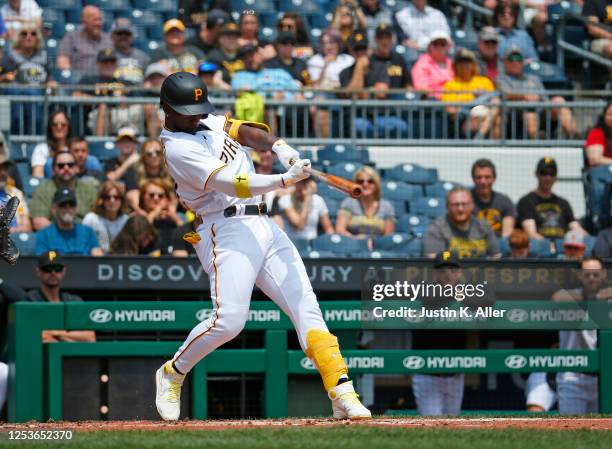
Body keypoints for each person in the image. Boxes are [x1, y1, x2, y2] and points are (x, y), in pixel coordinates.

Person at [155, 71, 371, 421]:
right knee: (229, 321)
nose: (196, 116)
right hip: (224, 228)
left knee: (306, 305)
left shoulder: (202, 118)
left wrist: (279, 147)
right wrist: (284, 179)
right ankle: (173, 372)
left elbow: (244, 130)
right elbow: (233, 183)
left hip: (263, 224)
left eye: (198, 108)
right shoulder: (178, 149)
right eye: (188, 111)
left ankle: (341, 390)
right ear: (167, 108)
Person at [552, 256, 611, 414]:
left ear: (604, 274)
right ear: (580, 275)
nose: (591, 278)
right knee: (570, 429)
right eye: (587, 274)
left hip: (604, 376)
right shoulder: (569, 297)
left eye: (596, 274)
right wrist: (595, 298)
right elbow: (557, 298)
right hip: (573, 377)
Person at [411, 251, 466, 416]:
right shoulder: (424, 288)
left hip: (455, 372)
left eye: (452, 270)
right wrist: (456, 294)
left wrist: (462, 294)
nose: (447, 274)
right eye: (442, 270)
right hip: (428, 372)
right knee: (432, 425)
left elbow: (488, 299)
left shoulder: (468, 289)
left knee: (453, 424)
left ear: (459, 272)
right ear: (435, 273)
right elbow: (430, 299)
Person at [497, 47, 577, 139]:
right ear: (505, 62)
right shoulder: (502, 78)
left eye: (519, 59)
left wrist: (550, 104)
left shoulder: (534, 78)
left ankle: (575, 136)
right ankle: (537, 141)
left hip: (540, 110)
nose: (515, 62)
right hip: (516, 114)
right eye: (511, 59)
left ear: (523, 62)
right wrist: (523, 96)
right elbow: (505, 94)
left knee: (559, 100)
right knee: (530, 115)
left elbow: (545, 99)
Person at [27, 251, 96, 343]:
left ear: (64, 271)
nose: (53, 273)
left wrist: (55, 333)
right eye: (48, 269)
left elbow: (90, 337)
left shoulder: (74, 301)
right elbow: (39, 336)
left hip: (71, 356)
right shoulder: (30, 299)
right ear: (38, 271)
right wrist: (69, 337)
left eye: (57, 268)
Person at [517, 157, 586, 241]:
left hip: (564, 247)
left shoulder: (563, 203)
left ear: (556, 177)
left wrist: (587, 238)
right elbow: (531, 233)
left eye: (552, 174)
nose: (548, 178)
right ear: (536, 174)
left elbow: (575, 227)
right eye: (544, 173)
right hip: (539, 248)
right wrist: (549, 246)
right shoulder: (526, 201)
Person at [423, 187, 501, 258]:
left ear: (472, 205)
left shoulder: (483, 226)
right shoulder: (437, 228)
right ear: (447, 206)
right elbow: (434, 258)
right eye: (455, 204)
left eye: (464, 204)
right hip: (448, 272)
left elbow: (495, 256)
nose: (460, 209)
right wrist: (452, 257)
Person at [30, 151, 98, 231]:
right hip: (56, 238)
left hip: (85, 236)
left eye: (70, 165)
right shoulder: (43, 190)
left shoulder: (89, 190)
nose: (66, 168)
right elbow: (39, 222)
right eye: (61, 166)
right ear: (53, 170)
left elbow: (98, 218)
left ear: (77, 168)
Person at [308, 28, 355, 137]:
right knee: (318, 106)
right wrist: (325, 65)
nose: (328, 46)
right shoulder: (315, 60)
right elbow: (316, 85)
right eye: (324, 43)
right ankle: (323, 148)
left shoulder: (348, 60)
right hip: (325, 99)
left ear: (338, 43)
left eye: (331, 42)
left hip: (345, 98)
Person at [441, 48, 497, 138]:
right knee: (477, 112)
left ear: (473, 65)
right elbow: (450, 110)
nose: (464, 65)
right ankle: (478, 139)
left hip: (485, 115)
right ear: (455, 65)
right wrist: (472, 102)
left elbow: (495, 101)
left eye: (467, 62)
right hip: (462, 118)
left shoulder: (484, 81)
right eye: (461, 62)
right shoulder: (450, 84)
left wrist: (483, 97)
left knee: (490, 109)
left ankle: (481, 137)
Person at [34, 187, 103, 256]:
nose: (68, 209)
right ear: (54, 209)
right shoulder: (44, 235)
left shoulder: (88, 233)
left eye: (72, 205)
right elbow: (42, 261)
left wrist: (97, 253)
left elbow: (97, 258)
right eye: (63, 205)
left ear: (76, 208)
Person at [335, 166, 395, 241]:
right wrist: (358, 241)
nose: (365, 184)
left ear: (376, 185)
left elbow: (388, 236)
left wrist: (373, 243)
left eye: (370, 181)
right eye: (360, 181)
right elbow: (340, 230)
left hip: (378, 247)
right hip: (353, 246)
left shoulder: (386, 206)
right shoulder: (349, 203)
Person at [56, 5, 112, 77]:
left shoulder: (109, 40)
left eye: (100, 20)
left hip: (104, 83)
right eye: (94, 20)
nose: (98, 23)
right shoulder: (71, 38)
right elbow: (62, 63)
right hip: (80, 83)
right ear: (84, 21)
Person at [125, 138, 174, 214]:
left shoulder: (171, 171)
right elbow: (131, 194)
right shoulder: (134, 171)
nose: (154, 156)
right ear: (143, 156)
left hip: (166, 210)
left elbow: (174, 196)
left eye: (158, 152)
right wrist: (141, 212)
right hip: (141, 210)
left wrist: (170, 211)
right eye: (149, 153)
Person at [470, 159, 515, 237]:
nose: (483, 181)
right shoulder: (465, 202)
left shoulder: (504, 201)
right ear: (473, 179)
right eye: (479, 177)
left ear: (494, 178)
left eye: (487, 177)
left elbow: (507, 233)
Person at [82, 180, 129, 254]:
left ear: (122, 200)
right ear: (101, 200)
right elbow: (82, 243)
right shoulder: (91, 219)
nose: (112, 200)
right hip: (95, 261)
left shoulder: (126, 221)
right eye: (107, 197)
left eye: (116, 197)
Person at [139, 179, 182, 255]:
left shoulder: (180, 217)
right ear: (143, 198)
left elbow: (191, 241)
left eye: (161, 196)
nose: (156, 198)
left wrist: (176, 219)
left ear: (167, 199)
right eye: (151, 195)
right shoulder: (136, 218)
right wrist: (154, 213)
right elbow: (140, 236)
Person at [411, 31, 454, 97]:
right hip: (434, 102)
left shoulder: (452, 63)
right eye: (435, 44)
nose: (439, 47)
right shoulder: (422, 64)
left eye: (443, 44)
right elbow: (421, 87)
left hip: (455, 99)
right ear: (429, 46)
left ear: (448, 46)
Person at [31, 111, 71, 178]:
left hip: (72, 184)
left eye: (63, 125)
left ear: (68, 127)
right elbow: (37, 175)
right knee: (49, 163)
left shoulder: (74, 148)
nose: (59, 127)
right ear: (50, 128)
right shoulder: (41, 148)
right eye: (55, 125)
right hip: (50, 184)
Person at [110, 18, 149, 84]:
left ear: (132, 36)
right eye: (119, 33)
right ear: (112, 36)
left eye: (127, 33)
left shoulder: (142, 57)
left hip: (139, 93)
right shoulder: (107, 56)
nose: (123, 36)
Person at [0, 153, 30, 233]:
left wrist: (20, 229)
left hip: (14, 240)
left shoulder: (16, 193)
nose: (3, 173)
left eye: (5, 169)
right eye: (0, 169)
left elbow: (26, 224)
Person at [584, 102, 612, 167]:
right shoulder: (596, 133)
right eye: (610, 114)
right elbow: (594, 159)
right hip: (604, 174)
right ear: (604, 116)